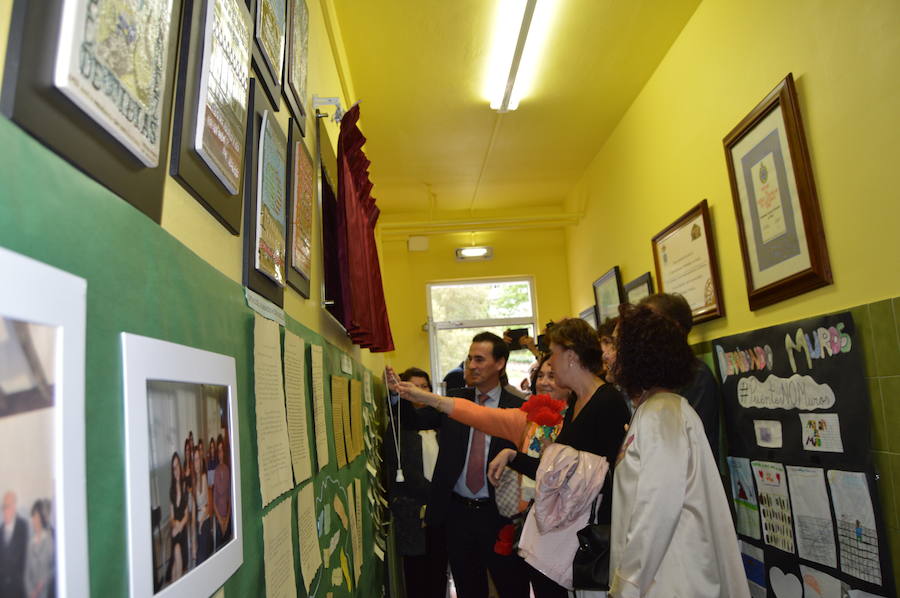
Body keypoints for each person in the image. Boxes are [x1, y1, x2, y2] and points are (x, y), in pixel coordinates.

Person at [393, 319, 630, 597]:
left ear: (571, 356)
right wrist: (512, 456)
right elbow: (554, 467)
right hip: (559, 533)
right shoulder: (578, 403)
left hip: (585, 537)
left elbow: (605, 479)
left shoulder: (606, 403)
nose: (549, 365)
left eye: (552, 355)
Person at [606, 304, 749, 598]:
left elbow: (656, 509)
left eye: (616, 344)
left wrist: (628, 583)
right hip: (661, 573)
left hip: (669, 578)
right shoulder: (655, 409)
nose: (608, 354)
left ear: (638, 355)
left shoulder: (661, 414)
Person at [396, 332, 529, 598]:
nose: (472, 365)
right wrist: (402, 394)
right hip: (457, 515)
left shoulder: (519, 409)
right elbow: (413, 422)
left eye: (480, 359)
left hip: (499, 515)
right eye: (470, 359)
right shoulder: (455, 401)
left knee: (512, 586)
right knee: (468, 588)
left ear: (500, 363)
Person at [385, 367, 448, 598]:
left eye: (425, 387)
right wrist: (433, 495)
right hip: (413, 514)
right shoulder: (400, 426)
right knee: (416, 575)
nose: (420, 392)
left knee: (439, 571)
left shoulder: (442, 424)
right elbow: (405, 471)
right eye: (414, 387)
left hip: (441, 513)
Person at [638, 293, 721, 461]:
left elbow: (685, 445)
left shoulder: (696, 376)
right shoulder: (657, 373)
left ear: (674, 329)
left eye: (652, 324)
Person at [0, 491, 28, 598]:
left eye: (7, 506)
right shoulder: (0, 530)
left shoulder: (23, 527)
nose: (4, 510)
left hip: (17, 588)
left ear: (14, 507)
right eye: (3, 506)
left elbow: (25, 558)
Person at [24, 500, 54, 598]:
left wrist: (42, 583)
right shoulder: (30, 543)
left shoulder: (49, 539)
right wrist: (31, 592)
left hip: (47, 592)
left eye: (37, 517)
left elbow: (53, 568)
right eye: (33, 517)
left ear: (42, 518)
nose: (35, 520)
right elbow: (27, 572)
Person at [168, 453, 189, 582]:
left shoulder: (185, 487)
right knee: (176, 550)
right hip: (175, 530)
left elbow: (187, 515)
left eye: (177, 466)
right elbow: (170, 518)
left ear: (180, 467)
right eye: (173, 467)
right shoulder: (171, 490)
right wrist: (175, 523)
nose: (176, 470)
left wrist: (180, 526)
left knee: (177, 553)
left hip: (182, 530)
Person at [193, 440, 213, 565]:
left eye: (198, 459)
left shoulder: (204, 477)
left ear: (201, 461)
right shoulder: (191, 481)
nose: (196, 462)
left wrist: (201, 522)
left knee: (202, 552)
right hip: (196, 519)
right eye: (194, 459)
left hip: (204, 518)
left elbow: (207, 506)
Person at [213, 435, 232, 549]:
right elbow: (214, 501)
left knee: (228, 546)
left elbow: (230, 498)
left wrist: (227, 519)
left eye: (222, 450)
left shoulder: (227, 469)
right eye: (218, 450)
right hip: (218, 517)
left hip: (227, 516)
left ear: (224, 452)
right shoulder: (216, 471)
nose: (220, 453)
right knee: (220, 547)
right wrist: (221, 520)